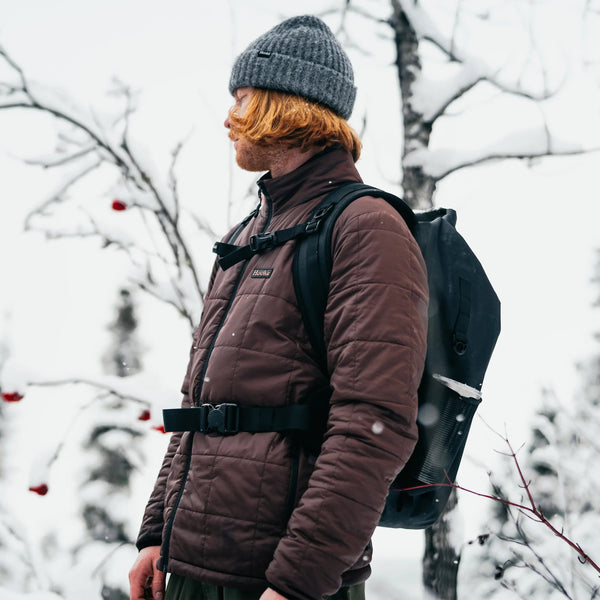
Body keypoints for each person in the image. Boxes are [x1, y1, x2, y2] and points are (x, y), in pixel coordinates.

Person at [129, 15, 428, 600]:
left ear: (285, 106)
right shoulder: (246, 235)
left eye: (241, 99)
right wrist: (157, 535)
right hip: (191, 570)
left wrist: (298, 580)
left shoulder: (366, 227)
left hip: (278, 582)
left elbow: (374, 423)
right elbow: (200, 406)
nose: (228, 118)